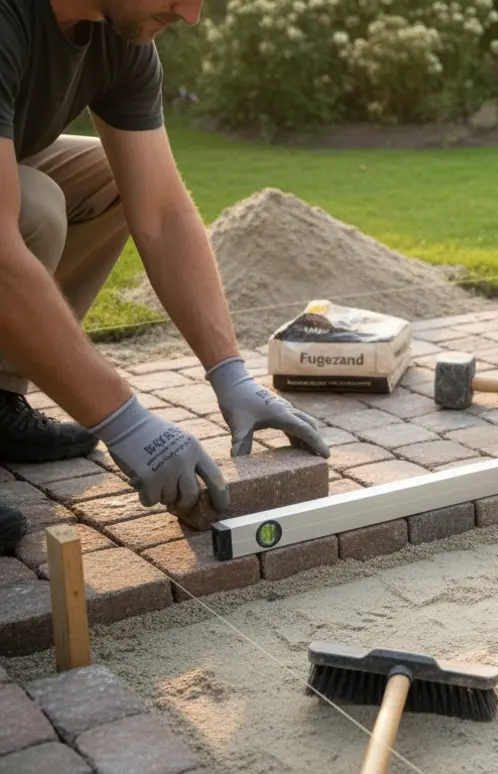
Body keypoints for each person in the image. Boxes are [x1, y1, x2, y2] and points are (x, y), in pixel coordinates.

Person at [0, 0, 330, 549]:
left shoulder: (117, 38)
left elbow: (163, 212)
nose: (191, 14)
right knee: (29, 207)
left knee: (116, 183)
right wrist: (122, 419)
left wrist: (230, 374)